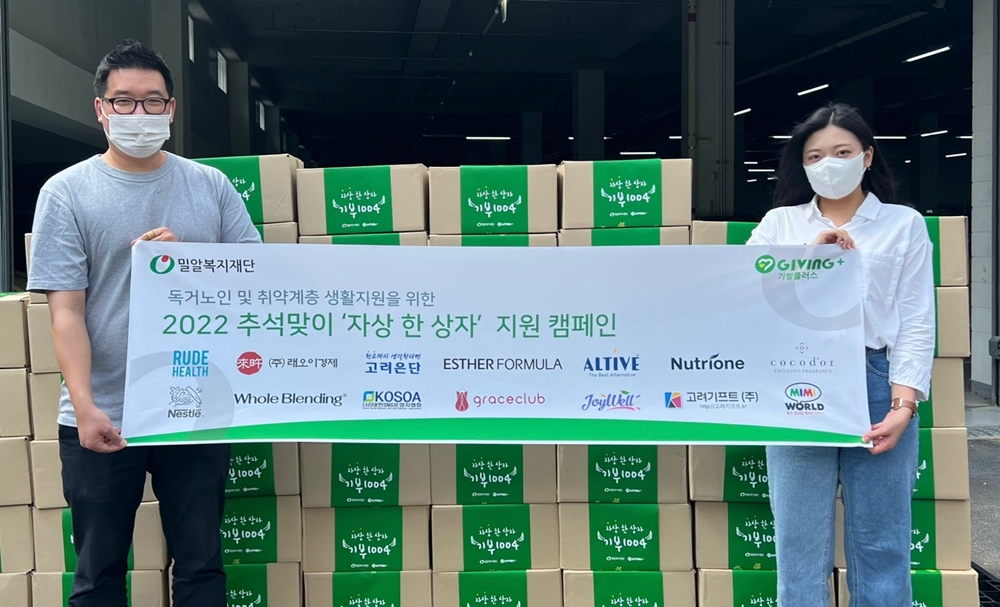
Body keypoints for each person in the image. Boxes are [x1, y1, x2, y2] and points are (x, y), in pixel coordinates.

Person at [26, 40, 261, 607]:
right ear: (100, 109)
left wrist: (191, 263)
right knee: (98, 572)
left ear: (171, 109)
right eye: (123, 101)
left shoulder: (210, 186)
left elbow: (254, 285)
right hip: (103, 411)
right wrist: (85, 405)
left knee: (201, 565)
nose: (139, 113)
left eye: (153, 101)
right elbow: (66, 310)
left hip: (194, 405)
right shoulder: (66, 192)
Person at [747, 103, 934, 606]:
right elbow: (746, 299)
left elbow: (916, 318)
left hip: (876, 381)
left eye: (842, 152)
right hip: (796, 379)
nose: (828, 163)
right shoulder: (779, 224)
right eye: (815, 156)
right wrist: (809, 258)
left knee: (882, 543)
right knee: (798, 543)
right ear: (802, 165)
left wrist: (904, 404)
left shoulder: (903, 224)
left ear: (867, 157)